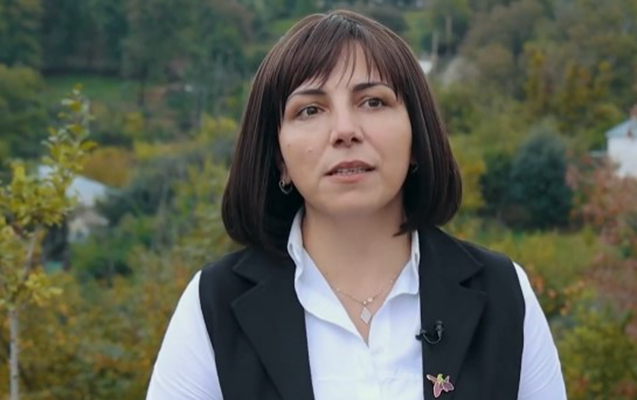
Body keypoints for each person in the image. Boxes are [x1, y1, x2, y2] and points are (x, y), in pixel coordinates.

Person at [146, 10, 567, 400]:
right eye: (310, 110)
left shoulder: (501, 293)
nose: (345, 130)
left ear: (416, 137)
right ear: (279, 159)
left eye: (373, 102)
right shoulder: (215, 305)